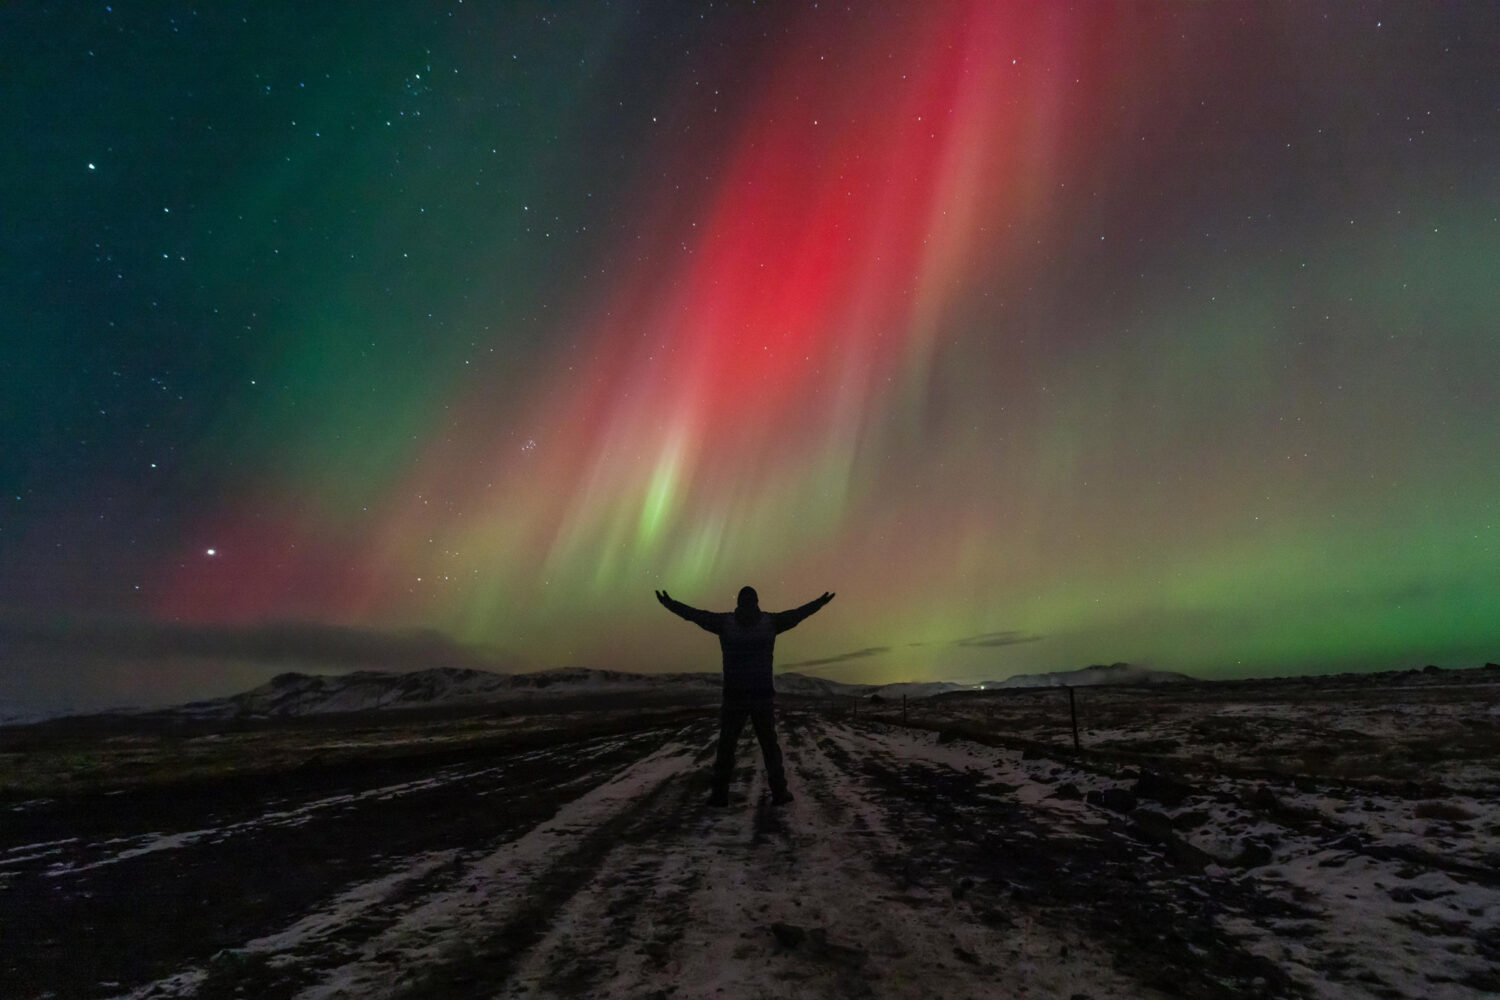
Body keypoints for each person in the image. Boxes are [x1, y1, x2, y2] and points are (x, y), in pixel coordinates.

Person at [656, 585, 834, 806]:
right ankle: (779, 792)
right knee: (769, 748)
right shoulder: (769, 623)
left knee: (727, 748)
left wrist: (671, 604)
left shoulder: (725, 623)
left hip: (734, 697)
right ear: (756, 602)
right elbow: (797, 614)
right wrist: (819, 603)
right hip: (761, 698)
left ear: (739, 603)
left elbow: (695, 615)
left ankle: (720, 795)